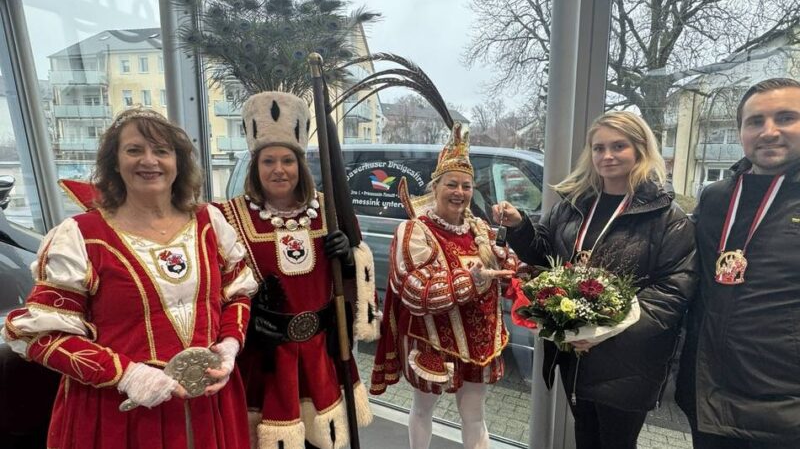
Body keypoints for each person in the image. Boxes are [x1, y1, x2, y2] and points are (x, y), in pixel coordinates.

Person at [1, 108, 259, 448]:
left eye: (161, 150)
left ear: (178, 162)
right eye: (134, 150)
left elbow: (236, 293)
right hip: (121, 409)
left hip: (209, 399)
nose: (149, 160)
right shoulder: (81, 235)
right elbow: (41, 336)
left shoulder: (210, 222)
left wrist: (229, 344)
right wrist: (128, 375)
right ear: (114, 162)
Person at [494, 111, 697, 449]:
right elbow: (544, 255)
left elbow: (672, 292)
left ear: (640, 150)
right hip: (575, 356)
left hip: (628, 362)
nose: (607, 155)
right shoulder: (574, 204)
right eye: (598, 148)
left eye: (619, 146)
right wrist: (519, 226)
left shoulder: (666, 217)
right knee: (586, 437)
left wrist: (606, 330)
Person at [215, 91, 380, 449]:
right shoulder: (226, 217)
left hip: (321, 353)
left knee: (324, 442)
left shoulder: (328, 210)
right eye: (268, 161)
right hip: (265, 360)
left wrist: (349, 259)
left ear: (300, 165)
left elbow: (357, 275)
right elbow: (218, 288)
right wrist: (252, 315)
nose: (279, 169)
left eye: (288, 160)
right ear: (255, 166)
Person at [370, 122, 519, 449]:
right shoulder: (414, 231)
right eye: (451, 184)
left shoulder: (480, 228)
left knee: (475, 416)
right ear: (435, 187)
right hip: (432, 340)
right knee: (423, 409)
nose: (459, 192)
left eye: (466, 186)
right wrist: (473, 280)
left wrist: (510, 263)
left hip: (479, 342)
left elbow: (506, 264)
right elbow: (416, 290)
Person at [675, 78, 800, 448]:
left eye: (786, 118)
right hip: (709, 396)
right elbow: (684, 273)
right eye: (755, 121)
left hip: (783, 407)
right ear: (741, 131)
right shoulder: (716, 197)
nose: (769, 131)